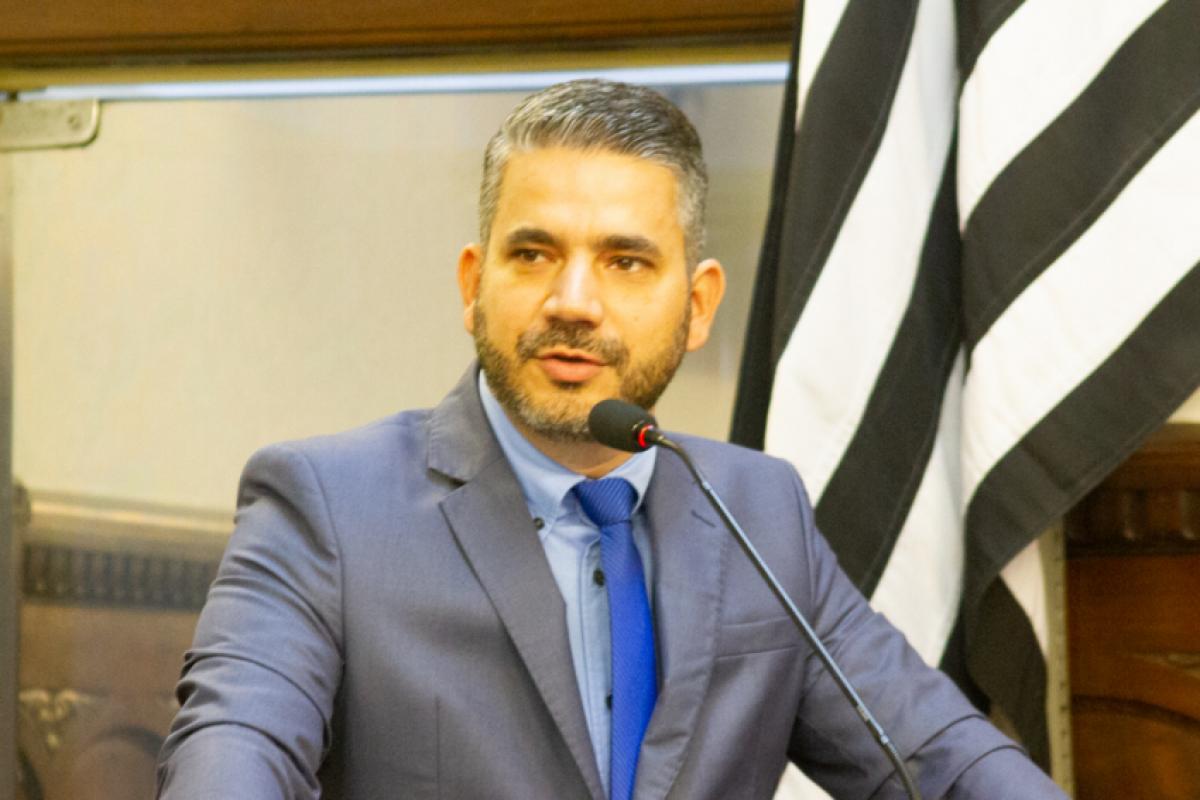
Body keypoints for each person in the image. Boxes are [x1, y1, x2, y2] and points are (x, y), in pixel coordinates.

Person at [157, 79, 1066, 799]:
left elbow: (945, 761)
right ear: (473, 284)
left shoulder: (758, 513)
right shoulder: (327, 508)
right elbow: (230, 761)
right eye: (534, 254)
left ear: (698, 305)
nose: (573, 302)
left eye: (625, 261)